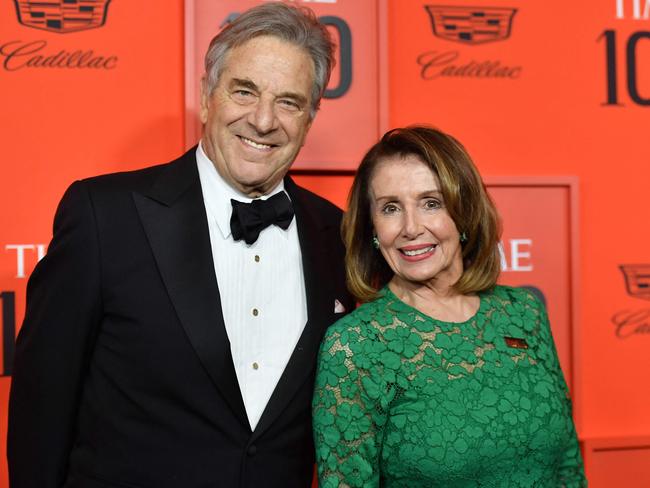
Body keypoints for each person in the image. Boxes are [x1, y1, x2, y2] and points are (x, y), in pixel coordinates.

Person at [8, 3, 354, 487]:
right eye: (244, 91)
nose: (262, 119)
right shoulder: (104, 217)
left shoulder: (338, 236)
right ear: (208, 97)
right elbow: (41, 403)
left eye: (289, 102)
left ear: (310, 118)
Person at [312, 126, 586, 487]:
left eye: (431, 203)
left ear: (464, 213)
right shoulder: (355, 347)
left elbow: (567, 462)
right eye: (391, 208)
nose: (411, 228)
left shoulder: (524, 313)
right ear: (373, 229)